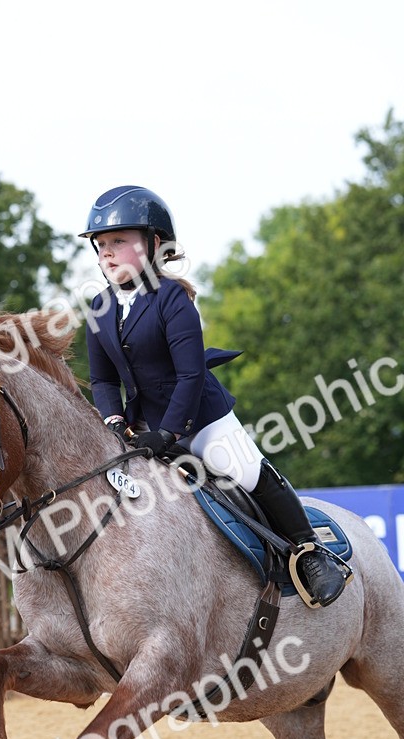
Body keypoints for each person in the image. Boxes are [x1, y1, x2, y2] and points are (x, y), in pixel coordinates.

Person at [80, 184, 348, 607]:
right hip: (140, 424)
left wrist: (168, 434)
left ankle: (310, 552)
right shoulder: (98, 307)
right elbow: (101, 382)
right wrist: (114, 420)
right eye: (101, 245)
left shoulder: (173, 300)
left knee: (245, 471)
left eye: (118, 241)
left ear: (153, 244)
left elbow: (190, 375)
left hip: (199, 416)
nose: (106, 253)